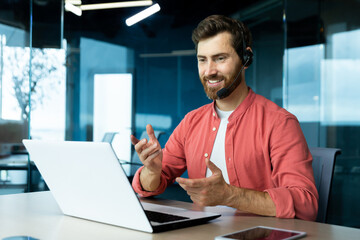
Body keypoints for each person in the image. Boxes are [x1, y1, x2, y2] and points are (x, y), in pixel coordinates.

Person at [130, 15, 318, 221]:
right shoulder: (192, 122)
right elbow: (150, 186)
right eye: (202, 60)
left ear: (246, 59)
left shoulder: (279, 123)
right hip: (201, 233)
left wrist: (230, 195)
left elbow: (305, 203)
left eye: (220, 58)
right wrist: (152, 171)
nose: (209, 71)